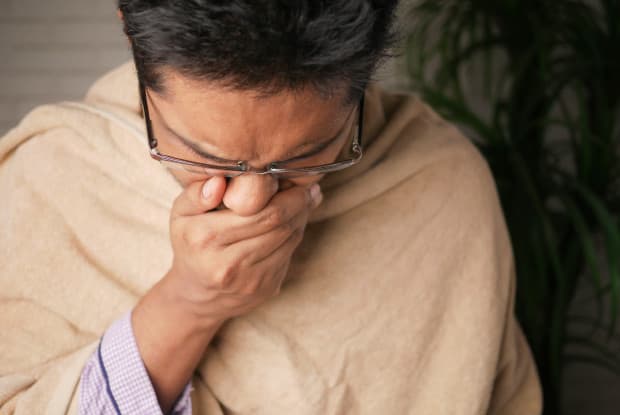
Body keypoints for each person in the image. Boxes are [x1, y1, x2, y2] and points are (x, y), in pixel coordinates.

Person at [0, 1, 542, 414]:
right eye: (199, 154)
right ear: (129, 33)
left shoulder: (442, 186)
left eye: (307, 157)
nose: (251, 201)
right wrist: (187, 305)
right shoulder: (50, 177)